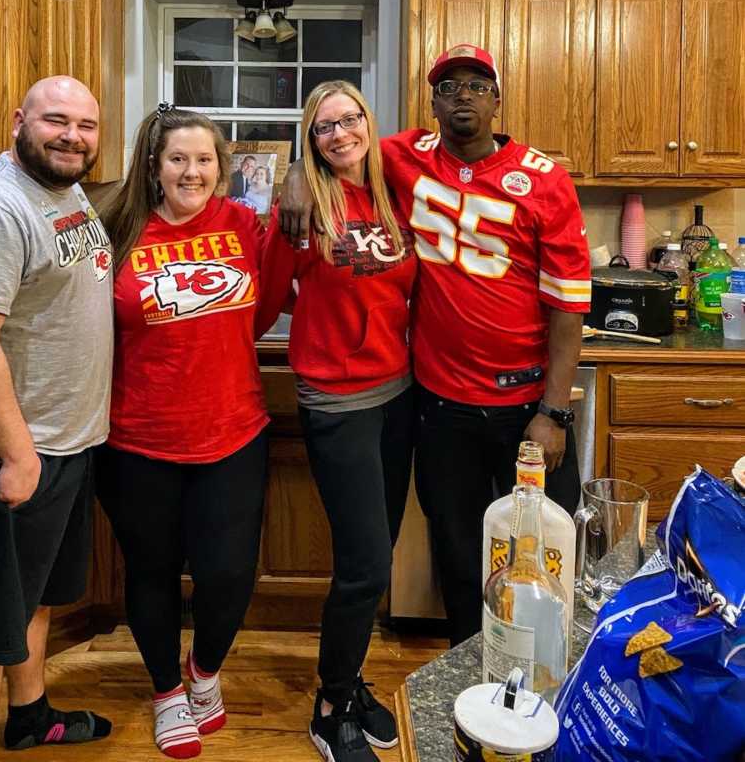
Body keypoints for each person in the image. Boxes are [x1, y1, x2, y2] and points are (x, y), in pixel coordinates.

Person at [279, 45, 591, 645]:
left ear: (497, 100)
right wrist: (296, 171)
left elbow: (568, 306)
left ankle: (548, 671)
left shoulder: (545, 181)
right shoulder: (404, 155)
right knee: (457, 549)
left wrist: (553, 412)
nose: (463, 96)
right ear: (434, 103)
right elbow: (334, 148)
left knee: (548, 550)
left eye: (477, 85)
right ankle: (467, 667)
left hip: (526, 406)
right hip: (441, 404)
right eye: (450, 88)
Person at [0, 76, 114, 762]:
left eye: (86, 125)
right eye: (56, 120)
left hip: (58, 442)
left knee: (29, 605)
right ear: (18, 122)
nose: (72, 136)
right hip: (4, 456)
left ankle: (31, 716)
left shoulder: (60, 191)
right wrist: (17, 455)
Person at [96, 104, 268, 760]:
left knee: (229, 576)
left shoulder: (243, 223)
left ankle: (204, 672)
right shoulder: (117, 229)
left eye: (204, 160)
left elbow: (278, 286)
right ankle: (167, 691)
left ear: (221, 168)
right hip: (138, 439)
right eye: (178, 159)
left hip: (233, 431)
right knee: (152, 571)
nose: (191, 171)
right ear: (154, 165)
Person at [257, 81, 416, 762]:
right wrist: (293, 177)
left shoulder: (395, 188)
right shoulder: (299, 211)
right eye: (323, 127)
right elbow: (263, 301)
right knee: (364, 563)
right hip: (337, 402)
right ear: (310, 138)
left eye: (350, 118)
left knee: (376, 558)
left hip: (400, 393)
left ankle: (349, 685)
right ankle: (330, 705)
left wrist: (297, 164)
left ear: (367, 123)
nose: (340, 133)